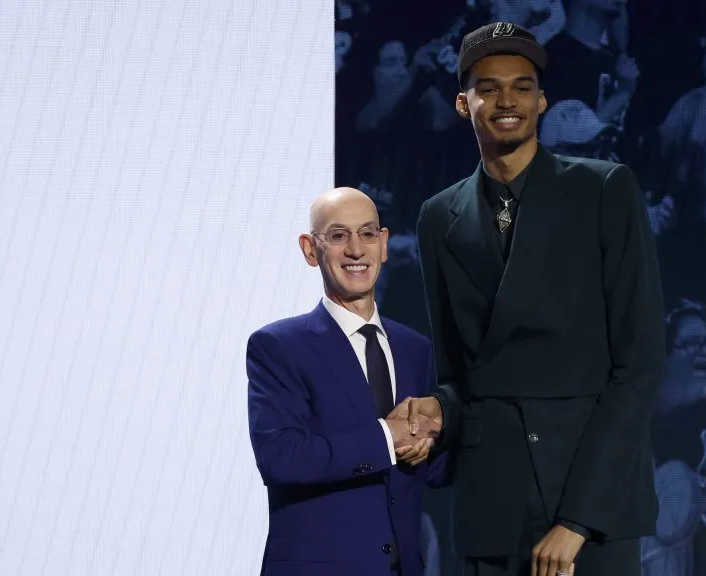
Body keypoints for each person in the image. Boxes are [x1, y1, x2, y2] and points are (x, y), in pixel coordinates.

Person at [403, 20, 667, 576]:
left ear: (542, 101)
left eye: (522, 87)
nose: (507, 101)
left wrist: (578, 521)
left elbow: (638, 365)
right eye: (489, 87)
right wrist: (437, 413)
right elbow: (461, 373)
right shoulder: (437, 218)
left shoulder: (603, 190)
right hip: (492, 503)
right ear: (462, 102)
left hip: (589, 503)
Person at [246, 187, 449, 576]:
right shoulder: (278, 346)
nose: (356, 250)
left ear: (384, 244)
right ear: (310, 250)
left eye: (368, 233)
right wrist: (388, 439)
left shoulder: (415, 347)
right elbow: (282, 458)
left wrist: (436, 433)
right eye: (338, 236)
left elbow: (433, 470)